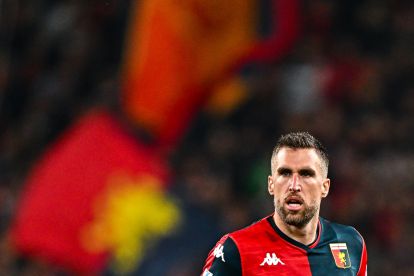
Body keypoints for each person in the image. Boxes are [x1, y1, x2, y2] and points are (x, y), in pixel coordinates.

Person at [201, 132, 367, 275]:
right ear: (271, 184)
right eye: (285, 173)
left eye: (306, 174)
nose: (294, 185)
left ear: (325, 187)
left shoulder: (351, 243)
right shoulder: (235, 249)